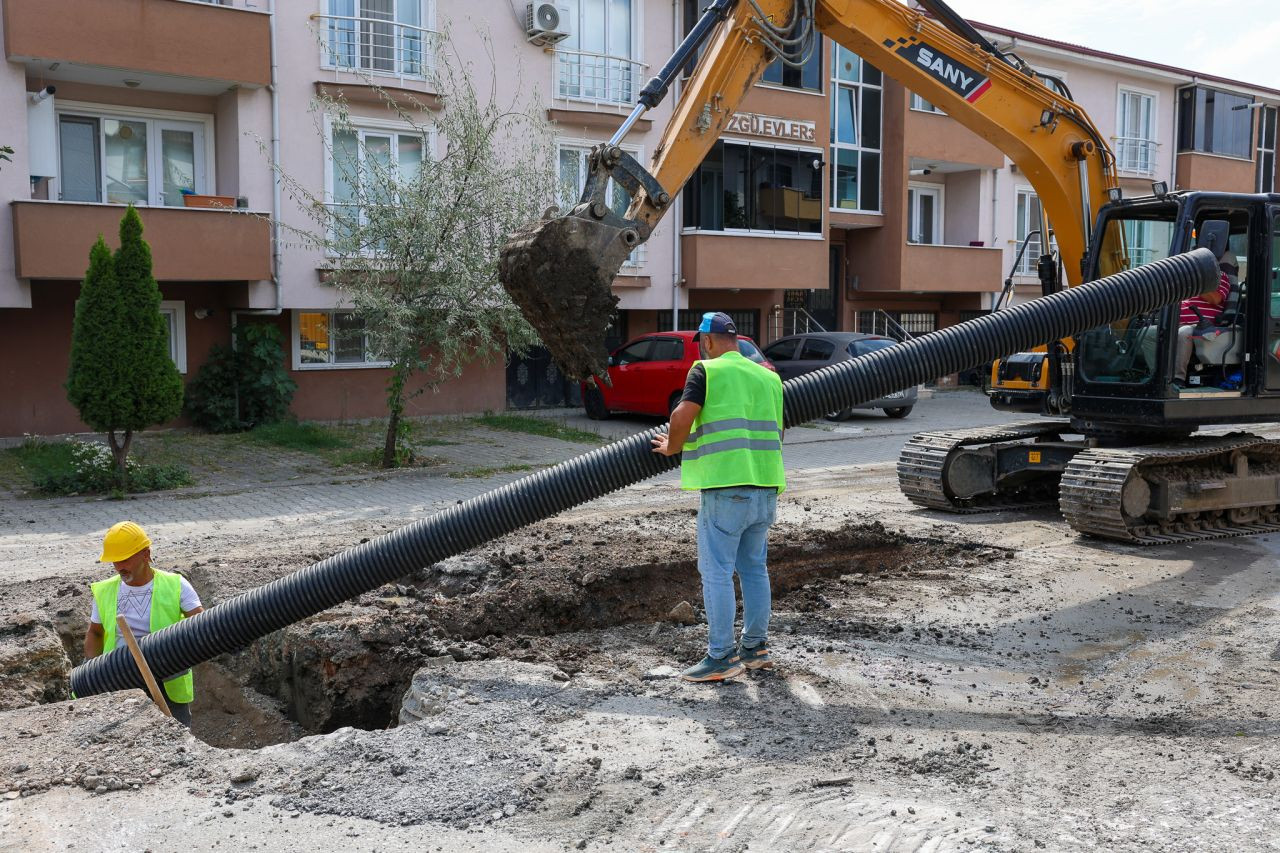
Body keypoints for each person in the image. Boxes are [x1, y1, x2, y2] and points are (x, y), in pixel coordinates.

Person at [651, 312, 785, 682]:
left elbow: (682, 415)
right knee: (754, 569)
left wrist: (672, 446)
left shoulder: (706, 371)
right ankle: (755, 648)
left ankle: (721, 656)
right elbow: (778, 431)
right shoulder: (769, 377)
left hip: (727, 490)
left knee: (717, 572)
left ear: (707, 341)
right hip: (765, 488)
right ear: (736, 340)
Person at [84, 521, 204, 726]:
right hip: (120, 678)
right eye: (115, 561)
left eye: (125, 559)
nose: (119, 567)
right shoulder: (105, 591)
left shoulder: (175, 585)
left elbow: (202, 626)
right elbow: (95, 633)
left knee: (176, 735)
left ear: (146, 554)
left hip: (168, 677)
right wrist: (90, 671)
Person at [1171, 244, 1235, 387]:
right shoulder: (1184, 278)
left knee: (1184, 333)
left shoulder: (1220, 277)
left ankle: (1177, 378)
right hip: (1175, 322)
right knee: (1149, 333)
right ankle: (1158, 374)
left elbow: (1216, 299)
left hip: (1202, 326)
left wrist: (1195, 283)